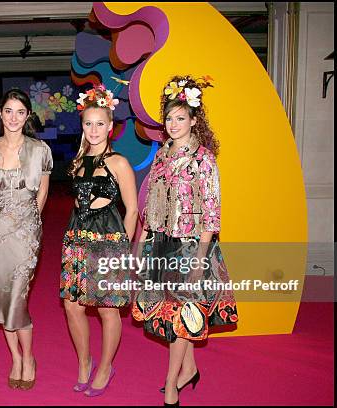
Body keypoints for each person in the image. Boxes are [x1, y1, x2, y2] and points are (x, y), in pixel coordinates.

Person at [131, 75, 238, 406]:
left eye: (181, 118)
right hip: (163, 243)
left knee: (181, 316)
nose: (174, 124)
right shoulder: (162, 155)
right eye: (170, 118)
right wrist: (143, 242)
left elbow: (212, 212)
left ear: (194, 120)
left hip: (191, 245)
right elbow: (152, 204)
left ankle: (171, 382)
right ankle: (189, 368)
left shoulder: (204, 158)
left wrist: (200, 257)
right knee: (176, 314)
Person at [60, 84, 138, 397]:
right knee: (72, 306)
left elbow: (132, 210)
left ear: (111, 126)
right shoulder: (78, 162)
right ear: (83, 126)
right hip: (78, 239)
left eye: (100, 124)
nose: (94, 129)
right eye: (88, 124)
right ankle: (85, 361)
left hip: (109, 241)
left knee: (107, 310)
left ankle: (105, 366)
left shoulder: (118, 162)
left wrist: (121, 252)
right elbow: (79, 204)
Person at [0, 88, 53, 391]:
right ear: (0, 113)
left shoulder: (40, 150)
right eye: (8, 111)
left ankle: (29, 357)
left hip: (26, 234)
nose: (13, 117)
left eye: (20, 112)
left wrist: (31, 226)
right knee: (2, 297)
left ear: (27, 116)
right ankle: (15, 357)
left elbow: (43, 193)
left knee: (18, 298)